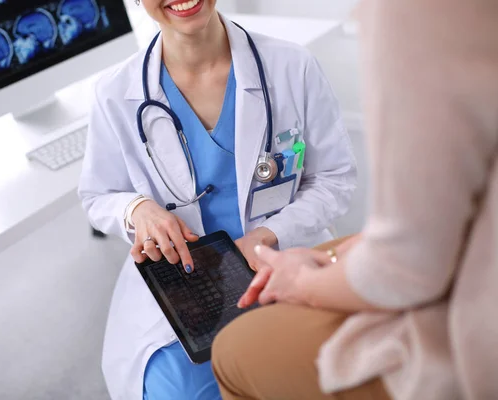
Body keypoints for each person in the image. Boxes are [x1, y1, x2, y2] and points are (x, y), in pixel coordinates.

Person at [211, 0, 498, 399]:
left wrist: (305, 280)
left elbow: (406, 267)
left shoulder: (412, 14)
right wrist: (334, 257)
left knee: (231, 350)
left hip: (479, 324)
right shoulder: (118, 91)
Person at [78, 0, 357, 398]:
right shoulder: (114, 93)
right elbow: (98, 195)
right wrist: (135, 208)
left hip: (284, 266)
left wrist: (268, 236)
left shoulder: (292, 66)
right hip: (186, 294)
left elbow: (335, 177)